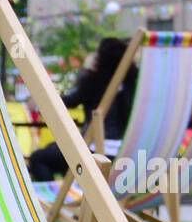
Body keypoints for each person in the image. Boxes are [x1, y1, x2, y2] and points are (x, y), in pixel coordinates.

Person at [28, 37, 137, 182]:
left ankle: (57, 199)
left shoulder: (94, 82)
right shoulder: (135, 85)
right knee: (53, 148)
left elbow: (65, 102)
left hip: (95, 154)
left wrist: (40, 98)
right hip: (129, 156)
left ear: (101, 59)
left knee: (38, 158)